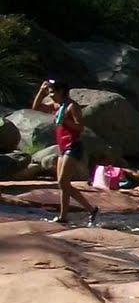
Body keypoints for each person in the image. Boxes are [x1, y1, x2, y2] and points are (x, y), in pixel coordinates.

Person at [30, 79, 96, 225]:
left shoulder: (72, 107)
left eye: (52, 92)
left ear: (61, 91)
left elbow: (80, 127)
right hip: (63, 147)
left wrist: (65, 122)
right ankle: (74, 214)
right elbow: (36, 108)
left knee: (63, 181)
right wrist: (41, 91)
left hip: (73, 146)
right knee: (63, 185)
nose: (51, 95)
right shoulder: (57, 106)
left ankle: (84, 211)